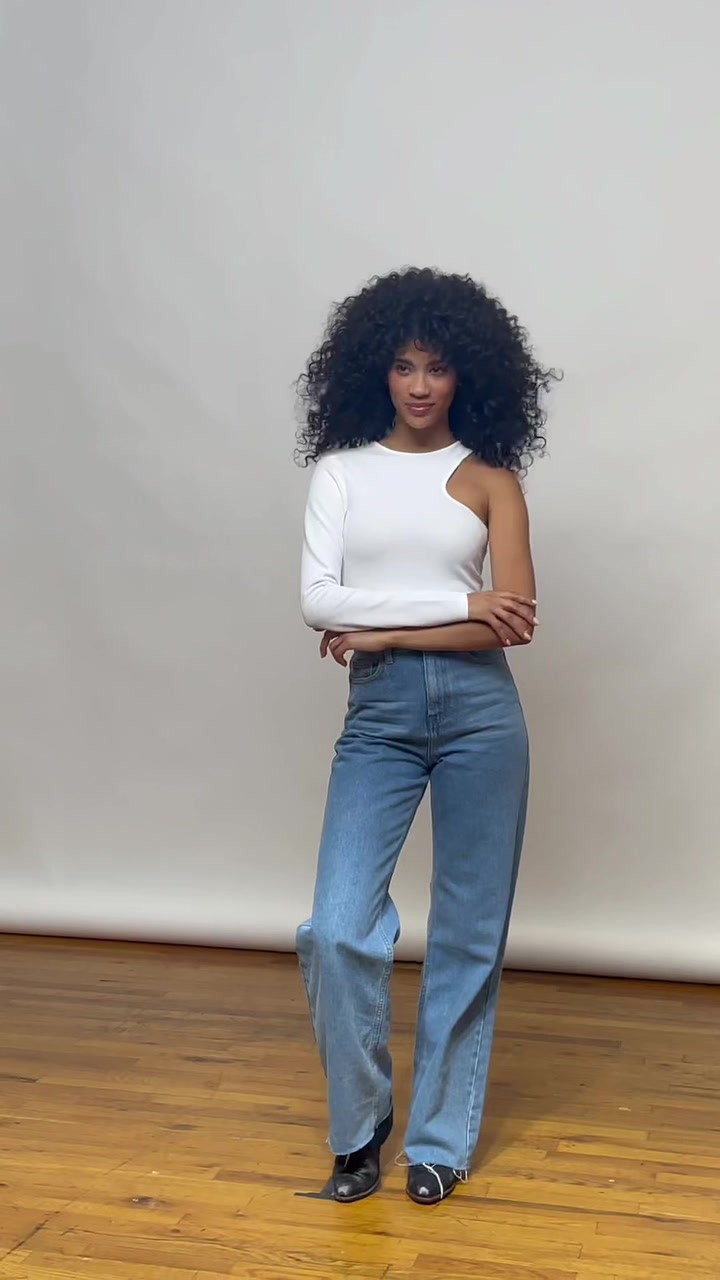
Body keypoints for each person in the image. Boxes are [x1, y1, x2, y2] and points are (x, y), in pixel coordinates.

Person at [295, 267, 557, 1205]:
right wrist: (458, 605)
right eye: (403, 366)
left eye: (437, 368)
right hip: (382, 717)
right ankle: (361, 1131)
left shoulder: (491, 480)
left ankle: (441, 1142)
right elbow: (317, 600)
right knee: (337, 929)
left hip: (483, 715)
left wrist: (383, 631)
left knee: (468, 934)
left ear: (465, 375)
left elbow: (512, 622)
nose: (418, 385)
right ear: (375, 369)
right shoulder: (341, 474)